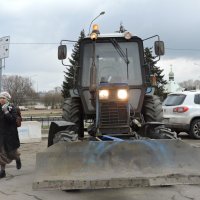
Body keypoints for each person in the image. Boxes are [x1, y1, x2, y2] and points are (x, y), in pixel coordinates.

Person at [0, 91, 21, 178]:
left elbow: (13, 120)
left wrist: (6, 112)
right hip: (1, 134)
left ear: (7, 99)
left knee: (12, 152)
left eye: (3, 98)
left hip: (10, 134)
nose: (1, 100)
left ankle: (17, 158)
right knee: (1, 153)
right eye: (0, 98)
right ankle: (2, 171)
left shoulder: (12, 108)